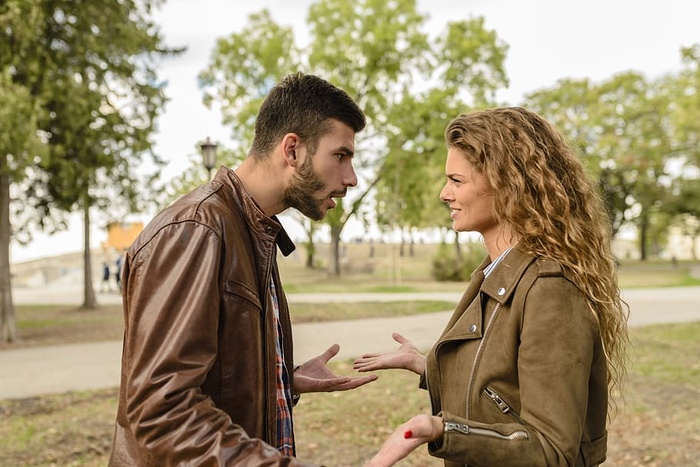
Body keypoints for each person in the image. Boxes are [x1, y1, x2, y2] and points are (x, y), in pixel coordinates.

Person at [109, 72, 378, 466]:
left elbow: (214, 380)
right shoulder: (197, 230)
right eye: (341, 156)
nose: (351, 179)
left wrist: (283, 381)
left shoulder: (252, 231)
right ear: (292, 150)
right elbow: (160, 411)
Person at [357, 107, 629, 466]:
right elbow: (500, 389)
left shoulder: (550, 288)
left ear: (506, 184)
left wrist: (442, 431)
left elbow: (551, 450)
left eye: (457, 180)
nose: (444, 193)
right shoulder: (496, 273)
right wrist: (427, 367)